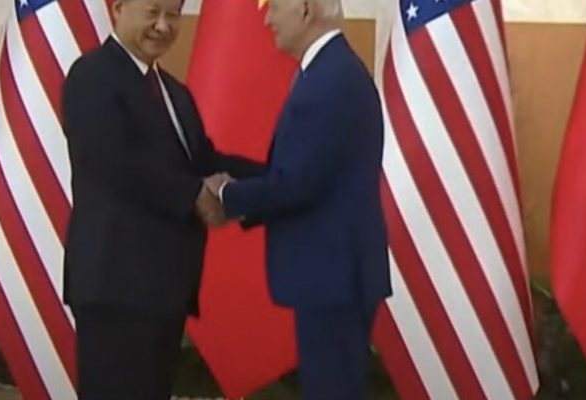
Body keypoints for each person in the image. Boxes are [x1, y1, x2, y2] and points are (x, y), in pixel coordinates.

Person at [61, 0, 263, 398]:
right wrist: (194, 195)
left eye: (172, 14)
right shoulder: (91, 77)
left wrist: (279, 177)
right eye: (152, 12)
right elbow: (114, 161)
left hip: (164, 290)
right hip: (116, 288)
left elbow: (204, 161)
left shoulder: (175, 93)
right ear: (119, 8)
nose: (163, 25)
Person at [204, 0, 391, 398]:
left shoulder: (330, 79)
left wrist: (226, 194)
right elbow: (301, 171)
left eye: (273, 7)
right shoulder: (329, 71)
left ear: (306, 9)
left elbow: (297, 183)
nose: (267, 18)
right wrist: (221, 166)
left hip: (332, 277)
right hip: (335, 274)